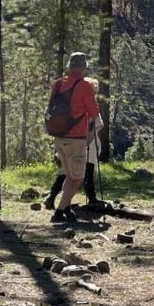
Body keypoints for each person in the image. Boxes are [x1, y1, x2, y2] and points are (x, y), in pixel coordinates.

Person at [47, 53, 99, 224]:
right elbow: (94, 112)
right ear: (83, 67)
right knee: (77, 178)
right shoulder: (84, 86)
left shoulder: (58, 83)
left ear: (69, 66)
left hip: (59, 136)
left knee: (69, 175)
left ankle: (67, 209)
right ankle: (59, 212)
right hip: (75, 138)